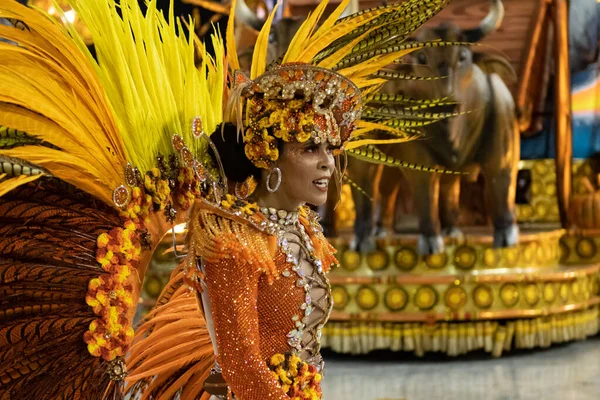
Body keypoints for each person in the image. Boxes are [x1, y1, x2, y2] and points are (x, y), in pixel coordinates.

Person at [0, 0, 454, 399]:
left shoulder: (302, 230)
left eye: (330, 151)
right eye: (310, 150)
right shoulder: (234, 241)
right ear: (268, 157)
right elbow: (240, 363)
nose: (327, 165)